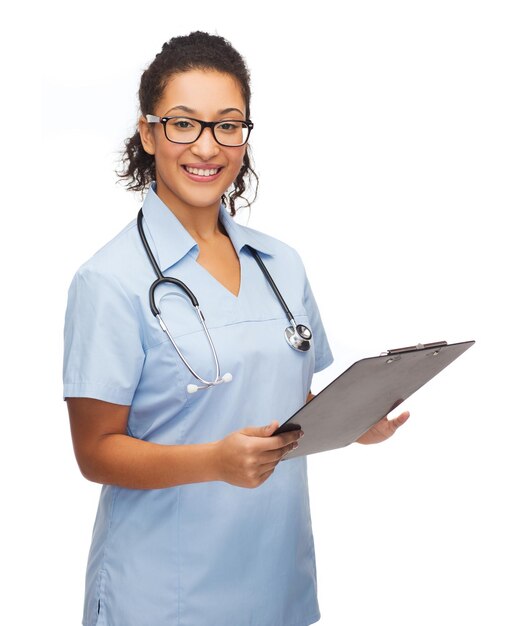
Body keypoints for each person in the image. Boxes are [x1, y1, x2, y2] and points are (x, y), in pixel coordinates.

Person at [63, 31, 409, 626]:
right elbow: (95, 453)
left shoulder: (282, 265)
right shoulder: (109, 281)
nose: (207, 145)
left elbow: (280, 401)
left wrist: (353, 421)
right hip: (165, 595)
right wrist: (214, 463)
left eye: (228, 124)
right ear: (148, 134)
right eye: (183, 123)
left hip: (277, 581)